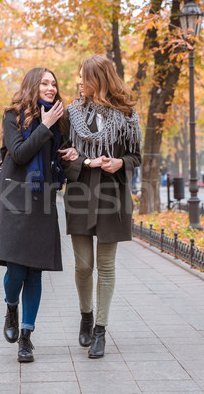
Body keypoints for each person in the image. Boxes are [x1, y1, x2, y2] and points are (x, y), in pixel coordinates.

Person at [59, 55, 142, 359]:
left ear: (99, 79)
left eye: (83, 77)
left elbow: (136, 157)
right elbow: (61, 156)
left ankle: (100, 331)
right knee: (83, 265)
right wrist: (86, 161)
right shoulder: (70, 114)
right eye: (78, 77)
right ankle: (85, 315)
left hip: (113, 197)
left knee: (106, 267)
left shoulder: (127, 115)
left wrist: (119, 162)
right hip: (80, 193)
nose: (78, 82)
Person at [0, 67, 66, 363]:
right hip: (15, 197)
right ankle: (11, 306)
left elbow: (62, 152)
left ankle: (26, 337)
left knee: (35, 270)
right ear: (33, 86)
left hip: (43, 198)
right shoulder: (13, 116)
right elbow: (20, 153)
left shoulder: (60, 118)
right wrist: (44, 125)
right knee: (16, 269)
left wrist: (69, 155)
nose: (51, 88)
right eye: (45, 83)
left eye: (54, 84)